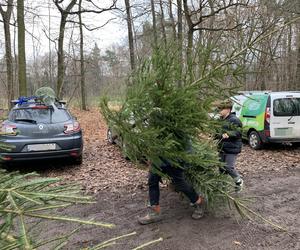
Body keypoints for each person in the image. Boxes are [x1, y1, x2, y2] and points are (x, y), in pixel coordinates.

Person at [138, 143, 205, 225]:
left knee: (180, 184)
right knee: (152, 181)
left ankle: (198, 202)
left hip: (174, 159)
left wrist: (184, 159)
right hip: (158, 157)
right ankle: (154, 212)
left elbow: (184, 141)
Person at [216, 100, 243, 191]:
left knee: (228, 167)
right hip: (222, 147)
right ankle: (222, 187)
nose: (219, 111)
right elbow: (218, 133)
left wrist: (229, 134)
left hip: (232, 147)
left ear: (228, 109)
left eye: (221, 109)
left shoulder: (234, 120)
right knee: (221, 168)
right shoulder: (220, 120)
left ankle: (238, 181)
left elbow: (238, 132)